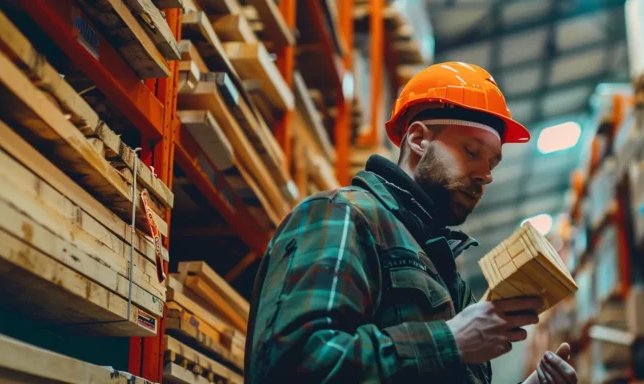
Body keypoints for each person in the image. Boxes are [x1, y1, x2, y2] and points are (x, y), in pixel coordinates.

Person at [244, 62, 579, 383]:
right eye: (472, 152)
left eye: (492, 162)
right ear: (419, 139)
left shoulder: (443, 271)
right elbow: (295, 365)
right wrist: (449, 340)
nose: (486, 175)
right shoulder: (343, 216)